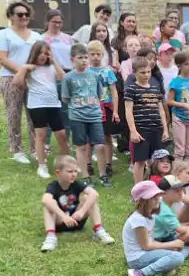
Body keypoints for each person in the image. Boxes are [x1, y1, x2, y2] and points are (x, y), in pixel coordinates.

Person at [13, 41, 69, 179]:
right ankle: (42, 166)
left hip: (53, 105)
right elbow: (17, 82)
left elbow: (64, 78)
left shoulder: (52, 68)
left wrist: (54, 61)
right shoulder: (30, 68)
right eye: (40, 53)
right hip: (37, 105)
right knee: (41, 136)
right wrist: (24, 68)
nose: (43, 56)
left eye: (46, 53)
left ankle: (67, 163)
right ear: (35, 54)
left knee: (61, 134)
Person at [0, 1, 42, 163]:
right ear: (11, 16)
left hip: (33, 79)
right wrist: (20, 72)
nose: (24, 17)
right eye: (20, 14)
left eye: (26, 14)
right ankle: (17, 150)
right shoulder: (4, 34)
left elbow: (41, 56)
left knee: (34, 114)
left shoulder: (36, 36)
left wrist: (29, 72)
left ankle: (36, 148)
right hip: (11, 78)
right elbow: (2, 58)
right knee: (14, 113)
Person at [42, 155, 115, 251]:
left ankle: (99, 230)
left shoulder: (76, 184)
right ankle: (51, 237)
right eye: (70, 171)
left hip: (76, 220)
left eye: (76, 171)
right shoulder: (53, 186)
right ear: (58, 173)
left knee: (88, 197)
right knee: (49, 204)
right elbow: (45, 200)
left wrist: (81, 212)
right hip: (59, 222)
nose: (74, 174)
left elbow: (94, 194)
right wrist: (64, 217)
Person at [62, 44, 110, 188]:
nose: (84, 60)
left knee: (100, 146)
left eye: (85, 57)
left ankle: (103, 175)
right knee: (81, 147)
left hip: (95, 115)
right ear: (72, 59)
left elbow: (99, 93)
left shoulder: (94, 75)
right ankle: (85, 177)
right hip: (77, 116)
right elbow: (65, 98)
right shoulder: (68, 78)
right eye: (80, 58)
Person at [124, 181, 189, 276]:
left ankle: (166, 266)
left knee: (185, 250)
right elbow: (147, 246)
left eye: (158, 196)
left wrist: (171, 246)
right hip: (137, 259)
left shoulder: (150, 216)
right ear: (143, 201)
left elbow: (151, 241)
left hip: (145, 253)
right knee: (178, 257)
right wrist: (171, 244)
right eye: (153, 197)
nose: (158, 199)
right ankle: (140, 273)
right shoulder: (138, 220)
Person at [124, 56, 169, 183]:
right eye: (142, 72)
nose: (146, 75)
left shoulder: (155, 89)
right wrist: (133, 131)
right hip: (141, 130)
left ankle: (157, 186)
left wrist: (165, 129)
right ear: (134, 73)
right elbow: (128, 111)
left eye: (148, 72)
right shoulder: (131, 89)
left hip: (157, 129)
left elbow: (161, 111)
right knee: (140, 162)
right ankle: (138, 190)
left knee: (158, 159)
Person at [153, 174, 189, 255]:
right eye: (176, 191)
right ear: (164, 193)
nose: (180, 193)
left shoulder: (163, 203)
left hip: (166, 234)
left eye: (181, 190)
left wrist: (187, 225)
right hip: (161, 240)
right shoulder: (164, 210)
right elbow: (180, 230)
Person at [88, 41, 119, 179]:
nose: (95, 57)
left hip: (106, 108)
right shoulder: (85, 71)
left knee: (107, 136)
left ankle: (108, 163)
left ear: (102, 55)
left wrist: (116, 111)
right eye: (92, 54)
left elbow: (114, 92)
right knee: (89, 138)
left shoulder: (108, 71)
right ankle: (88, 163)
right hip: (90, 108)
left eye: (98, 54)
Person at [168, 51, 189, 164]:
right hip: (179, 117)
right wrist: (184, 105)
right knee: (180, 149)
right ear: (179, 66)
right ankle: (176, 173)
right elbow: (169, 101)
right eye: (186, 64)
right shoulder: (175, 82)